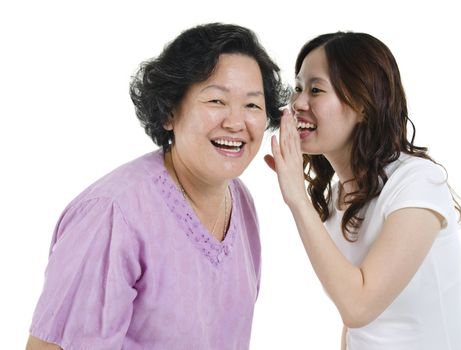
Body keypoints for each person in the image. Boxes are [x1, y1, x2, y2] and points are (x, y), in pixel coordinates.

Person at [26, 23, 288, 350]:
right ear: (169, 113)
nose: (236, 122)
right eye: (217, 101)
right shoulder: (113, 214)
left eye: (252, 105)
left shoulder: (240, 200)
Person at [265, 31, 461, 349]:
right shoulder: (335, 197)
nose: (298, 103)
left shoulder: (417, 181)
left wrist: (296, 197)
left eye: (316, 90)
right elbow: (356, 329)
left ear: (362, 105)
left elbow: (359, 306)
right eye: (299, 88)